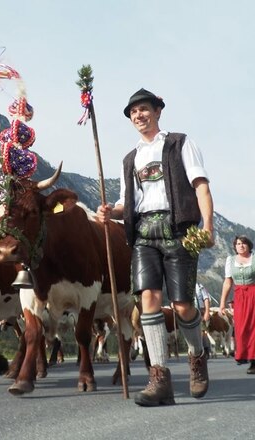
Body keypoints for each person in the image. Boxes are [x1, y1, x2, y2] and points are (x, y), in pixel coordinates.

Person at [96, 88, 215, 407]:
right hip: (144, 233)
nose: (139, 115)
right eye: (133, 112)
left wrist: (208, 226)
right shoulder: (130, 159)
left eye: (144, 109)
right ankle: (159, 377)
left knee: (182, 305)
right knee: (147, 298)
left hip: (178, 229)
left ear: (158, 111)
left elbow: (201, 186)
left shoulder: (180, 143)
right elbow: (127, 203)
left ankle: (197, 353)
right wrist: (110, 212)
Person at [218, 235, 255, 374]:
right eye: (238, 244)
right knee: (241, 327)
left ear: (249, 245)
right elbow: (228, 282)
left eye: (243, 243)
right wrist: (222, 302)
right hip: (240, 296)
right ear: (235, 246)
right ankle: (243, 354)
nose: (241, 246)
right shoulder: (230, 260)